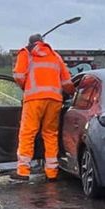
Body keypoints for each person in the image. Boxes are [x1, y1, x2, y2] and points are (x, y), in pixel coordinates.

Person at [11, 34, 74, 180]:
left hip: (33, 99)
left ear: (30, 43)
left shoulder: (26, 53)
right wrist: (73, 93)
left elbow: (19, 76)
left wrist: (25, 87)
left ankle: (23, 171)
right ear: (43, 42)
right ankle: (52, 172)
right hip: (54, 100)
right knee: (50, 134)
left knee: (28, 133)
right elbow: (66, 82)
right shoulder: (55, 56)